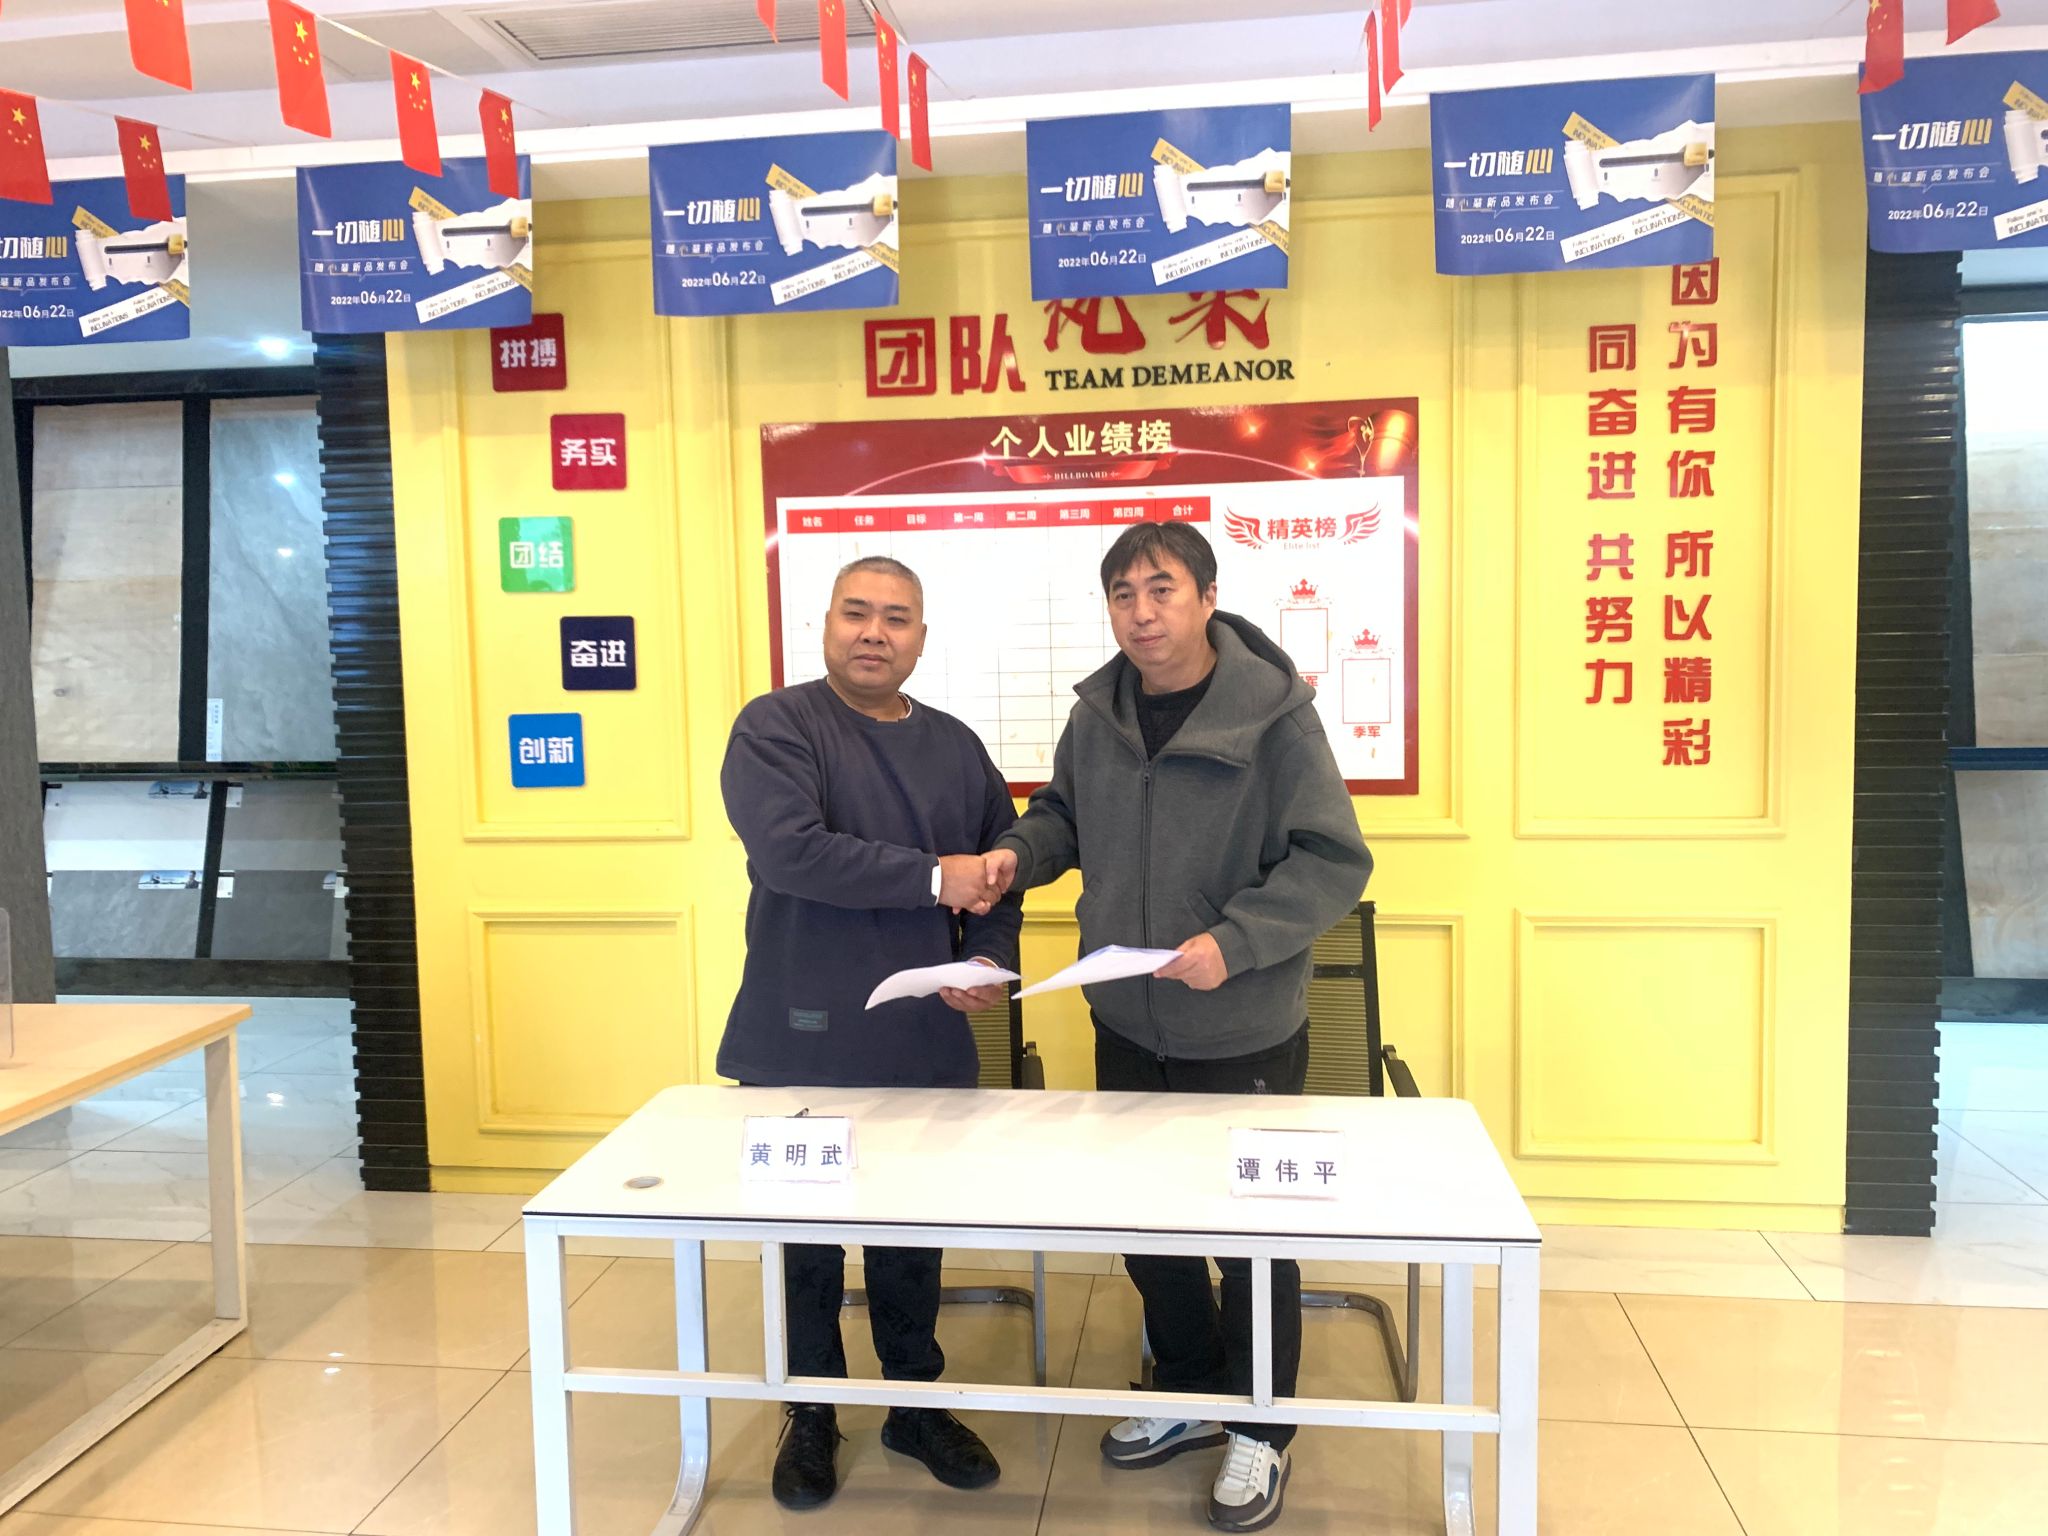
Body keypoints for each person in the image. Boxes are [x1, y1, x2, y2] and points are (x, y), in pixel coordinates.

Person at [983, 522, 1371, 1534]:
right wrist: (1019, 853)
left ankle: (1260, 1427)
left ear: (1206, 596)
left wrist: (1234, 943)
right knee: (1147, 1226)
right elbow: (1062, 815)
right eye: (1123, 594)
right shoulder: (1099, 715)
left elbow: (1332, 859)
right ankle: (1194, 1389)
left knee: (1251, 1241)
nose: (1141, 612)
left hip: (1240, 1027)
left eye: (1161, 589)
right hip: (1126, 1018)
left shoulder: (1274, 718)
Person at [718, 555, 1021, 1511]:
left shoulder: (957, 745)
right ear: (825, 624)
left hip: (923, 1043)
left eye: (896, 618)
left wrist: (986, 961)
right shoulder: (777, 726)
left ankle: (913, 1403)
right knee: (804, 1243)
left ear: (921, 638)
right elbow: (791, 853)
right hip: (799, 1038)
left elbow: (999, 873)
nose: (874, 633)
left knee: (909, 1234)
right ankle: (811, 1410)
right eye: (857, 613)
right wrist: (934, 878)